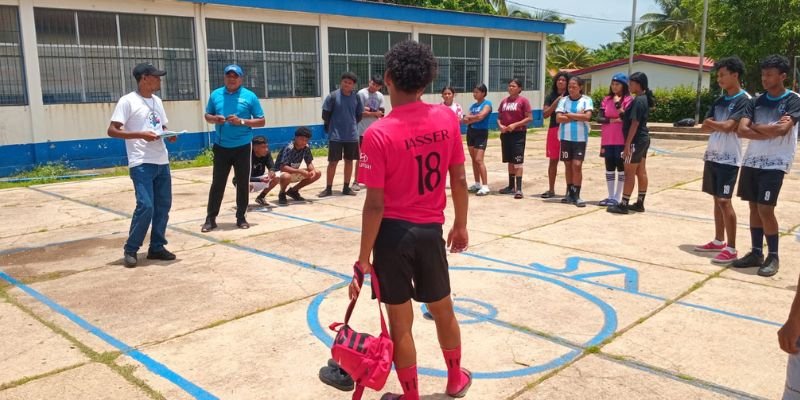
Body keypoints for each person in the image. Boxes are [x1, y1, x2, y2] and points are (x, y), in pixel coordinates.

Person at [353, 39, 471, 400]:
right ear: (427, 82)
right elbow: (460, 178)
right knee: (443, 309)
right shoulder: (447, 118)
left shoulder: (378, 133)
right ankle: (454, 379)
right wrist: (461, 224)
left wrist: (362, 260)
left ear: (387, 78)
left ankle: (411, 394)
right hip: (430, 232)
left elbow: (374, 205)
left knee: (400, 324)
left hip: (392, 236)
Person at [733, 55, 800, 277]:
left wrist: (757, 127)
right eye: (763, 74)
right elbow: (742, 130)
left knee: (765, 208)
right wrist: (768, 128)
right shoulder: (755, 102)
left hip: (776, 161)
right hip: (752, 159)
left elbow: (783, 131)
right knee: (753, 206)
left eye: (770, 74)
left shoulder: (793, 99)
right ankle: (755, 252)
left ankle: (773, 255)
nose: (765, 78)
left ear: (782, 76)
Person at [107, 63, 177, 268]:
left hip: (161, 160)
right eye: (156, 77)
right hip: (141, 162)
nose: (160, 80)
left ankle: (157, 247)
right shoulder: (127, 101)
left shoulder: (156, 101)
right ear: (144, 78)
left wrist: (169, 134)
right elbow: (112, 130)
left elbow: (160, 125)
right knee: (146, 206)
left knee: (163, 207)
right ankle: (131, 248)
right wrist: (140, 135)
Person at [693, 57, 751, 264]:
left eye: (722, 75)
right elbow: (704, 127)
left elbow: (729, 127)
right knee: (716, 200)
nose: (719, 79)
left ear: (735, 75)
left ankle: (732, 247)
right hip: (713, 154)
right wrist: (717, 123)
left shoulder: (745, 99)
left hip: (730, 158)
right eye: (718, 76)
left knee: (725, 201)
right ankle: (718, 241)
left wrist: (714, 123)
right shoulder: (719, 100)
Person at [202, 64, 266, 232]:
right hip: (221, 147)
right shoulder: (216, 94)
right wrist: (215, 119)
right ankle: (210, 218)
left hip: (243, 147)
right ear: (225, 78)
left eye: (235, 76)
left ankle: (241, 217)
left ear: (241, 79)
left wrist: (242, 121)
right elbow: (207, 115)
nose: (231, 79)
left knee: (243, 183)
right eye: (228, 76)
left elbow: (261, 120)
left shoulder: (249, 97)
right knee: (218, 183)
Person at [607, 72, 654, 215]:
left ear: (639, 84)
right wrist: (617, 103)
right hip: (643, 139)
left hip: (635, 140)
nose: (629, 85)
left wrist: (627, 145)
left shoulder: (638, 100)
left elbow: (634, 123)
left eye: (631, 83)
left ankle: (624, 204)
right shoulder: (642, 98)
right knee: (641, 171)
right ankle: (640, 202)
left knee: (629, 172)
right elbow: (626, 116)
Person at [320, 72, 363, 197]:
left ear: (353, 85)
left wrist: (351, 124)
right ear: (341, 82)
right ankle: (328, 188)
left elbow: (359, 115)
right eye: (345, 82)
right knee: (333, 162)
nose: (346, 85)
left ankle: (346, 187)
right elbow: (325, 114)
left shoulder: (356, 97)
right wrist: (333, 126)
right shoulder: (332, 96)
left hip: (351, 135)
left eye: (350, 83)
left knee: (349, 161)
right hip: (335, 135)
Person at [556, 76, 593, 207]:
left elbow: (587, 116)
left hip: (580, 139)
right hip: (566, 138)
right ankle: (569, 192)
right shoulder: (564, 100)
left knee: (577, 165)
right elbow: (558, 118)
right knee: (567, 165)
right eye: (569, 87)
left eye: (574, 87)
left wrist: (569, 114)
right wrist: (578, 116)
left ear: (580, 87)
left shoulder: (586, 100)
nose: (571, 89)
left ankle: (577, 194)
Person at [596, 73, 632, 206]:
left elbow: (625, 118)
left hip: (621, 139)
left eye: (617, 84)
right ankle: (610, 196)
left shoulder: (628, 100)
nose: (614, 86)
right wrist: (612, 120)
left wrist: (618, 104)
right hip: (607, 139)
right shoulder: (606, 99)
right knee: (609, 167)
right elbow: (599, 118)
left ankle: (618, 197)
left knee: (621, 167)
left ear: (624, 85)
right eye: (613, 84)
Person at [497, 78, 533, 199]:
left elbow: (529, 118)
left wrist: (515, 125)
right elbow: (499, 116)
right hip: (506, 134)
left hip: (518, 134)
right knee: (510, 160)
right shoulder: (504, 102)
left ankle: (519, 189)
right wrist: (500, 126)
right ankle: (511, 186)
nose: (510, 88)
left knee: (518, 161)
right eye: (509, 86)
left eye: (513, 86)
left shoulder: (523, 101)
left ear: (519, 88)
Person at [274, 127, 322, 206]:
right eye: (302, 139)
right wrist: (300, 171)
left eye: (306, 140)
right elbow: (283, 167)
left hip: (293, 172)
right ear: (296, 138)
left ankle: (293, 191)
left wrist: (312, 171)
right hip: (280, 174)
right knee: (286, 176)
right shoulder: (289, 148)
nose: (304, 142)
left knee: (317, 173)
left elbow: (309, 162)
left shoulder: (306, 147)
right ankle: (282, 193)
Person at [541, 71, 571, 198]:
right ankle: (551, 189)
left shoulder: (572, 96)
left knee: (567, 161)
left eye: (563, 80)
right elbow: (545, 113)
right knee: (553, 161)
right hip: (554, 129)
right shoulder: (551, 96)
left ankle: (569, 191)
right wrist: (557, 101)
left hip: (568, 129)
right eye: (558, 80)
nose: (560, 82)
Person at [353, 75, 385, 191]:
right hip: (361, 131)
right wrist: (373, 113)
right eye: (373, 84)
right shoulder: (361, 94)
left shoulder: (380, 96)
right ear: (369, 82)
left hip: (375, 131)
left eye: (377, 86)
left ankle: (371, 180)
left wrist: (369, 111)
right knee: (361, 157)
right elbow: (360, 113)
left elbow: (381, 113)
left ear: (380, 87)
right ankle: (356, 181)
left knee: (374, 157)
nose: (374, 87)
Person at [461, 83, 492, 196]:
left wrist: (471, 118)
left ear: (483, 93)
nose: (474, 94)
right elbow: (465, 119)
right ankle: (477, 183)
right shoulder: (473, 106)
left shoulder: (487, 104)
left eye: (477, 92)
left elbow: (481, 116)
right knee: (474, 159)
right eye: (474, 92)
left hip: (481, 133)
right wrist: (472, 118)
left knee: (479, 160)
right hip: (471, 132)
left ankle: (485, 186)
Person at [234, 136, 276, 207]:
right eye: (263, 147)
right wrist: (260, 180)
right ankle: (242, 203)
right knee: (247, 185)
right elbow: (243, 176)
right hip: (244, 180)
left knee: (277, 177)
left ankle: (261, 197)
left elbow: (272, 166)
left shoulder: (267, 154)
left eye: (267, 147)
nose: (266, 149)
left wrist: (271, 172)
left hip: (259, 179)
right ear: (255, 148)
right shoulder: (246, 156)